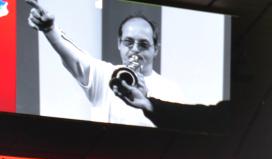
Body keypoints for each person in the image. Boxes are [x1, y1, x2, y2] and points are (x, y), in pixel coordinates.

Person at [25, 0, 184, 126]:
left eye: (143, 44)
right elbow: (75, 57)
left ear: (156, 49)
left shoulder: (172, 90)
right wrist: (50, 30)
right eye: (128, 42)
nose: (135, 50)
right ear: (119, 44)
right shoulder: (105, 74)